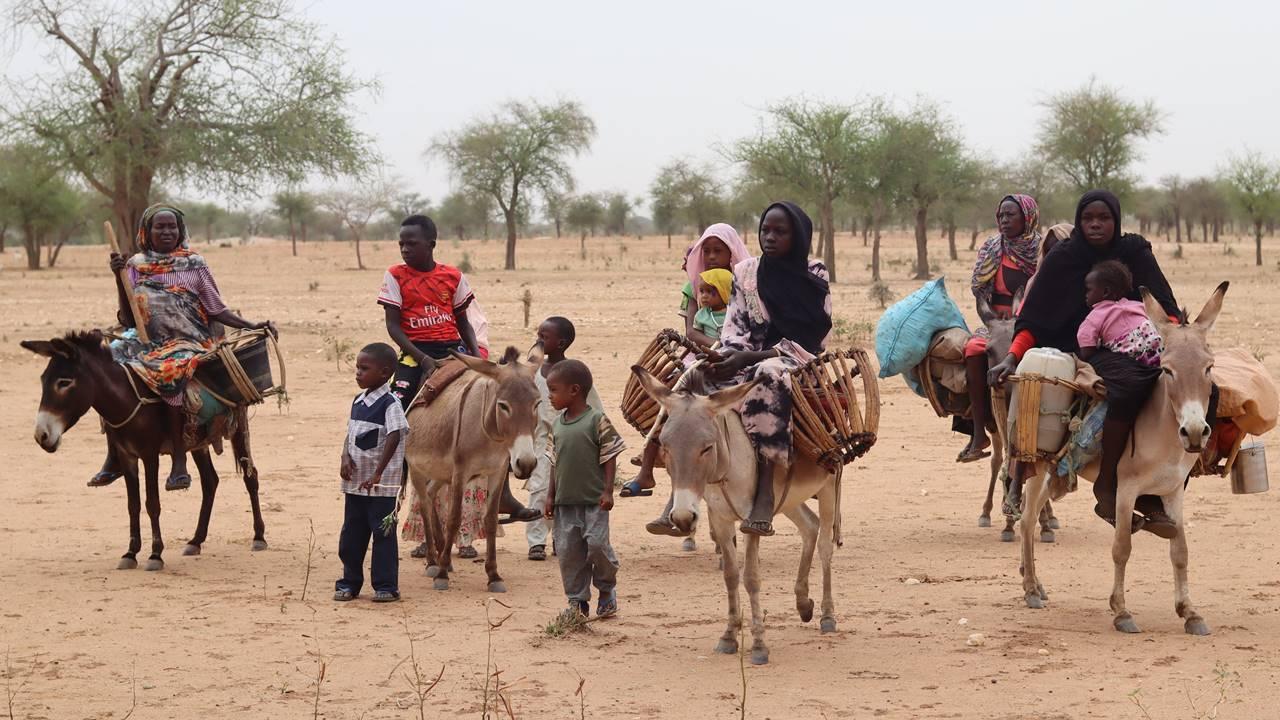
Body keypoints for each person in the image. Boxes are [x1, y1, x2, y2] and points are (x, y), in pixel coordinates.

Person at [990, 190, 1181, 538]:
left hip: (1134, 344)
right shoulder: (1064, 258)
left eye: (1103, 218)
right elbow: (1034, 320)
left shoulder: (1135, 253)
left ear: (1116, 219)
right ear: (1079, 221)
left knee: (1180, 389)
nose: (1095, 224)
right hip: (1078, 348)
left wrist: (1185, 343)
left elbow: (1163, 305)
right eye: (1088, 218)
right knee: (1120, 389)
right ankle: (1103, 486)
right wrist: (1012, 357)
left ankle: (1161, 484)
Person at [380, 215, 539, 523]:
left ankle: (503, 492)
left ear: (431, 244)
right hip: (415, 355)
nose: (404, 249)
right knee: (396, 413)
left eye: (411, 243)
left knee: (493, 408)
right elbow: (393, 326)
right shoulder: (395, 275)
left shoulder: (452, 276)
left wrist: (475, 356)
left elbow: (464, 321)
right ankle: (393, 487)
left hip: (455, 351)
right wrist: (423, 359)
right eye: (401, 244)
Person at [107, 204, 276, 491]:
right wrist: (118, 278)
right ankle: (114, 454)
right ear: (146, 232)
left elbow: (216, 309)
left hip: (188, 340)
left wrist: (252, 324)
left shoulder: (194, 263)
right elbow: (127, 317)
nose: (167, 232)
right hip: (147, 339)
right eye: (159, 227)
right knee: (107, 360)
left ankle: (178, 462)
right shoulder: (134, 265)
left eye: (172, 226)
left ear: (180, 230)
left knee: (172, 370)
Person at [697, 201, 833, 537]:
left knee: (768, 374)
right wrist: (729, 356)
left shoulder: (814, 272)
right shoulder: (745, 272)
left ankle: (766, 488)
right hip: (750, 354)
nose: (769, 237)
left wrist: (752, 359)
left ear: (798, 236)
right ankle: (674, 477)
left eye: (780, 232)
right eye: (765, 230)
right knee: (696, 373)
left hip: (795, 356)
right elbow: (735, 327)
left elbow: (814, 335)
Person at [621, 223, 750, 498]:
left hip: (739, 356)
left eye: (719, 251)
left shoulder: (747, 283)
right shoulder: (695, 285)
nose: (713, 256)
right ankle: (647, 465)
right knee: (671, 402)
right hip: (700, 356)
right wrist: (715, 349)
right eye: (708, 251)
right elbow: (690, 331)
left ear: (732, 252)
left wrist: (731, 351)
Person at [401, 299, 497, 560]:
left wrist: (467, 359)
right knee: (405, 405)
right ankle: (425, 534)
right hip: (430, 365)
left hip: (468, 370)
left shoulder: (469, 311)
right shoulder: (425, 307)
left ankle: (465, 536)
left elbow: (480, 346)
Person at [958, 195, 1041, 464]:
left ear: (1027, 217)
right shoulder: (992, 249)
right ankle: (978, 431)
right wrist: (995, 321)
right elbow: (981, 292)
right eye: (1001, 216)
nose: (1004, 221)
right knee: (973, 349)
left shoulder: (1042, 250)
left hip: (1033, 323)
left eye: (1011, 215)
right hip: (995, 322)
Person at [543, 359, 626, 618]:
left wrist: (608, 491)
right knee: (568, 553)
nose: (550, 396)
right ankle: (577, 601)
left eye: (554, 390)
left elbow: (609, 455)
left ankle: (606, 590)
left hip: (594, 501)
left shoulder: (597, 419)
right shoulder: (556, 426)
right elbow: (555, 464)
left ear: (574, 390)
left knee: (598, 546)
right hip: (564, 504)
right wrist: (549, 495)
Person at [334, 343, 406, 603]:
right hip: (355, 484)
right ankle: (349, 583)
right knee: (351, 535)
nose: (358, 373)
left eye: (364, 369)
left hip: (381, 487)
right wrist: (344, 456)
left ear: (385, 372)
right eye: (357, 368)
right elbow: (350, 433)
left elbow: (395, 434)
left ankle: (386, 586)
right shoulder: (358, 401)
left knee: (383, 536)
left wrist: (378, 473)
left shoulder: (390, 404)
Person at [527, 317, 603, 561]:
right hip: (542, 437)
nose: (539, 341)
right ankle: (536, 541)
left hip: (572, 439)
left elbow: (595, 409)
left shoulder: (575, 373)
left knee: (566, 491)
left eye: (544, 337)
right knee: (540, 487)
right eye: (538, 335)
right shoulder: (534, 372)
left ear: (561, 343)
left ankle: (562, 539)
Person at [1078, 260, 1164, 368]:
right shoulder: (1138, 306)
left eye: (1088, 290)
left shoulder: (1093, 318)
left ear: (1105, 292)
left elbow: (1087, 353)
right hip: (1159, 350)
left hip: (1129, 361)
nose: (1085, 294)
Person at [693, 268, 733, 341]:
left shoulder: (734, 313)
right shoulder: (701, 315)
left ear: (724, 292)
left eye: (709, 291)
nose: (704, 296)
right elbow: (698, 339)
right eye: (702, 291)